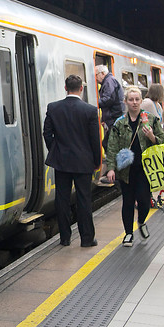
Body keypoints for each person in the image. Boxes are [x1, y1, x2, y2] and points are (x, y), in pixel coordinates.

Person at [43, 74, 101, 248]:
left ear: (65, 88)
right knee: (84, 200)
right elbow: (94, 140)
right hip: (83, 163)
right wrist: (96, 162)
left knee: (62, 200)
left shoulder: (53, 108)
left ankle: (65, 238)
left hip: (61, 162)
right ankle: (87, 239)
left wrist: (56, 150)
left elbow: (47, 133)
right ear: (81, 88)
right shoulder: (90, 111)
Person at [105, 86, 164, 247]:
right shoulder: (120, 123)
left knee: (144, 201)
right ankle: (128, 234)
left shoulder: (151, 119)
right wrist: (111, 168)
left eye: (137, 99)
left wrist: (152, 137)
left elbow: (163, 142)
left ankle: (141, 221)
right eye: (130, 99)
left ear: (141, 101)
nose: (134, 102)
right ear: (125, 102)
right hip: (126, 171)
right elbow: (112, 146)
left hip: (146, 169)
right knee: (128, 202)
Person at [95, 65, 124, 152]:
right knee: (109, 143)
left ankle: (115, 163)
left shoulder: (109, 81)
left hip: (115, 118)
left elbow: (108, 99)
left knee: (108, 144)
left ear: (102, 73)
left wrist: (95, 104)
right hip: (113, 118)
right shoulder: (109, 81)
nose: (95, 78)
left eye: (96, 75)